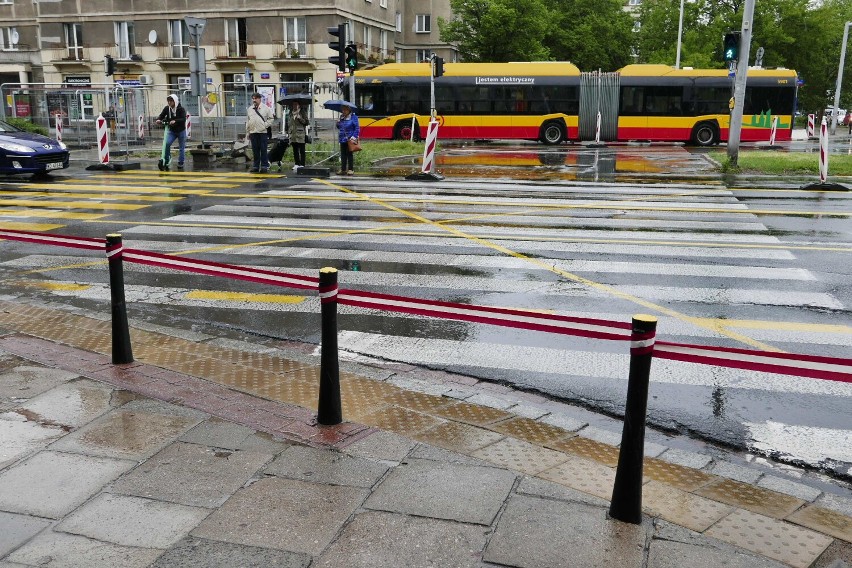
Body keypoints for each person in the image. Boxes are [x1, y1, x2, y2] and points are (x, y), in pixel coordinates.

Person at [155, 94, 187, 169]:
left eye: (171, 101)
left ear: (175, 101)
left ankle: (181, 162)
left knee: (181, 147)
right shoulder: (167, 109)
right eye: (168, 101)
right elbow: (162, 115)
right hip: (172, 130)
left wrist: (175, 121)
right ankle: (167, 158)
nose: (169, 103)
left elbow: (183, 119)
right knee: (167, 143)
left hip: (181, 130)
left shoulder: (181, 109)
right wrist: (159, 119)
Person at [246, 92, 274, 173]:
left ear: (259, 99)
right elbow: (248, 120)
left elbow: (271, 118)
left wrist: (265, 125)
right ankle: (256, 166)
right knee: (255, 150)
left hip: (262, 132)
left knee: (263, 149)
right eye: (253, 98)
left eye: (255, 98)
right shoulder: (250, 109)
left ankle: (264, 166)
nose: (254, 100)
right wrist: (248, 132)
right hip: (253, 132)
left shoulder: (265, 108)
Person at [336, 104, 360, 175]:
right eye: (342, 110)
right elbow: (340, 127)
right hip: (342, 138)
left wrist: (353, 137)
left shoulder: (354, 117)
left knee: (349, 154)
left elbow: (357, 128)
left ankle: (350, 169)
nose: (343, 111)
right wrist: (338, 123)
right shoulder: (341, 117)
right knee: (343, 154)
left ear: (349, 110)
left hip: (350, 138)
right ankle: (343, 169)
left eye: (345, 109)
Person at [287, 101, 309, 170]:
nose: (295, 106)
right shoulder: (291, 113)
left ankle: (302, 164)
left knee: (302, 149)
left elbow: (307, 122)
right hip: (292, 134)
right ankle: (297, 163)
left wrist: (300, 118)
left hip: (300, 134)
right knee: (295, 150)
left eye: (296, 104)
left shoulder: (302, 112)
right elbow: (289, 123)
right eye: (293, 104)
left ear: (299, 105)